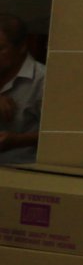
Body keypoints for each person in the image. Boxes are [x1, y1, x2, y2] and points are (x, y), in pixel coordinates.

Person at [0, 14, 44, 165]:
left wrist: (18, 141)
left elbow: (64, 135)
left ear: (22, 46)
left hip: (23, 172)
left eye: (0, 48)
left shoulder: (43, 81)